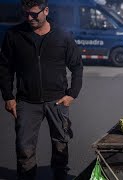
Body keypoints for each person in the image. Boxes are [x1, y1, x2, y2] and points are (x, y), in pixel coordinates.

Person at [0, 0, 83, 179]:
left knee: (60, 144)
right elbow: (4, 67)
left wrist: (72, 94)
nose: (29, 18)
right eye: (26, 14)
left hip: (57, 100)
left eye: (34, 14)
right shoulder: (14, 35)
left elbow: (77, 66)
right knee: (24, 147)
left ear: (46, 11)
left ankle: (60, 176)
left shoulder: (62, 35)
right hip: (27, 102)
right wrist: (8, 96)